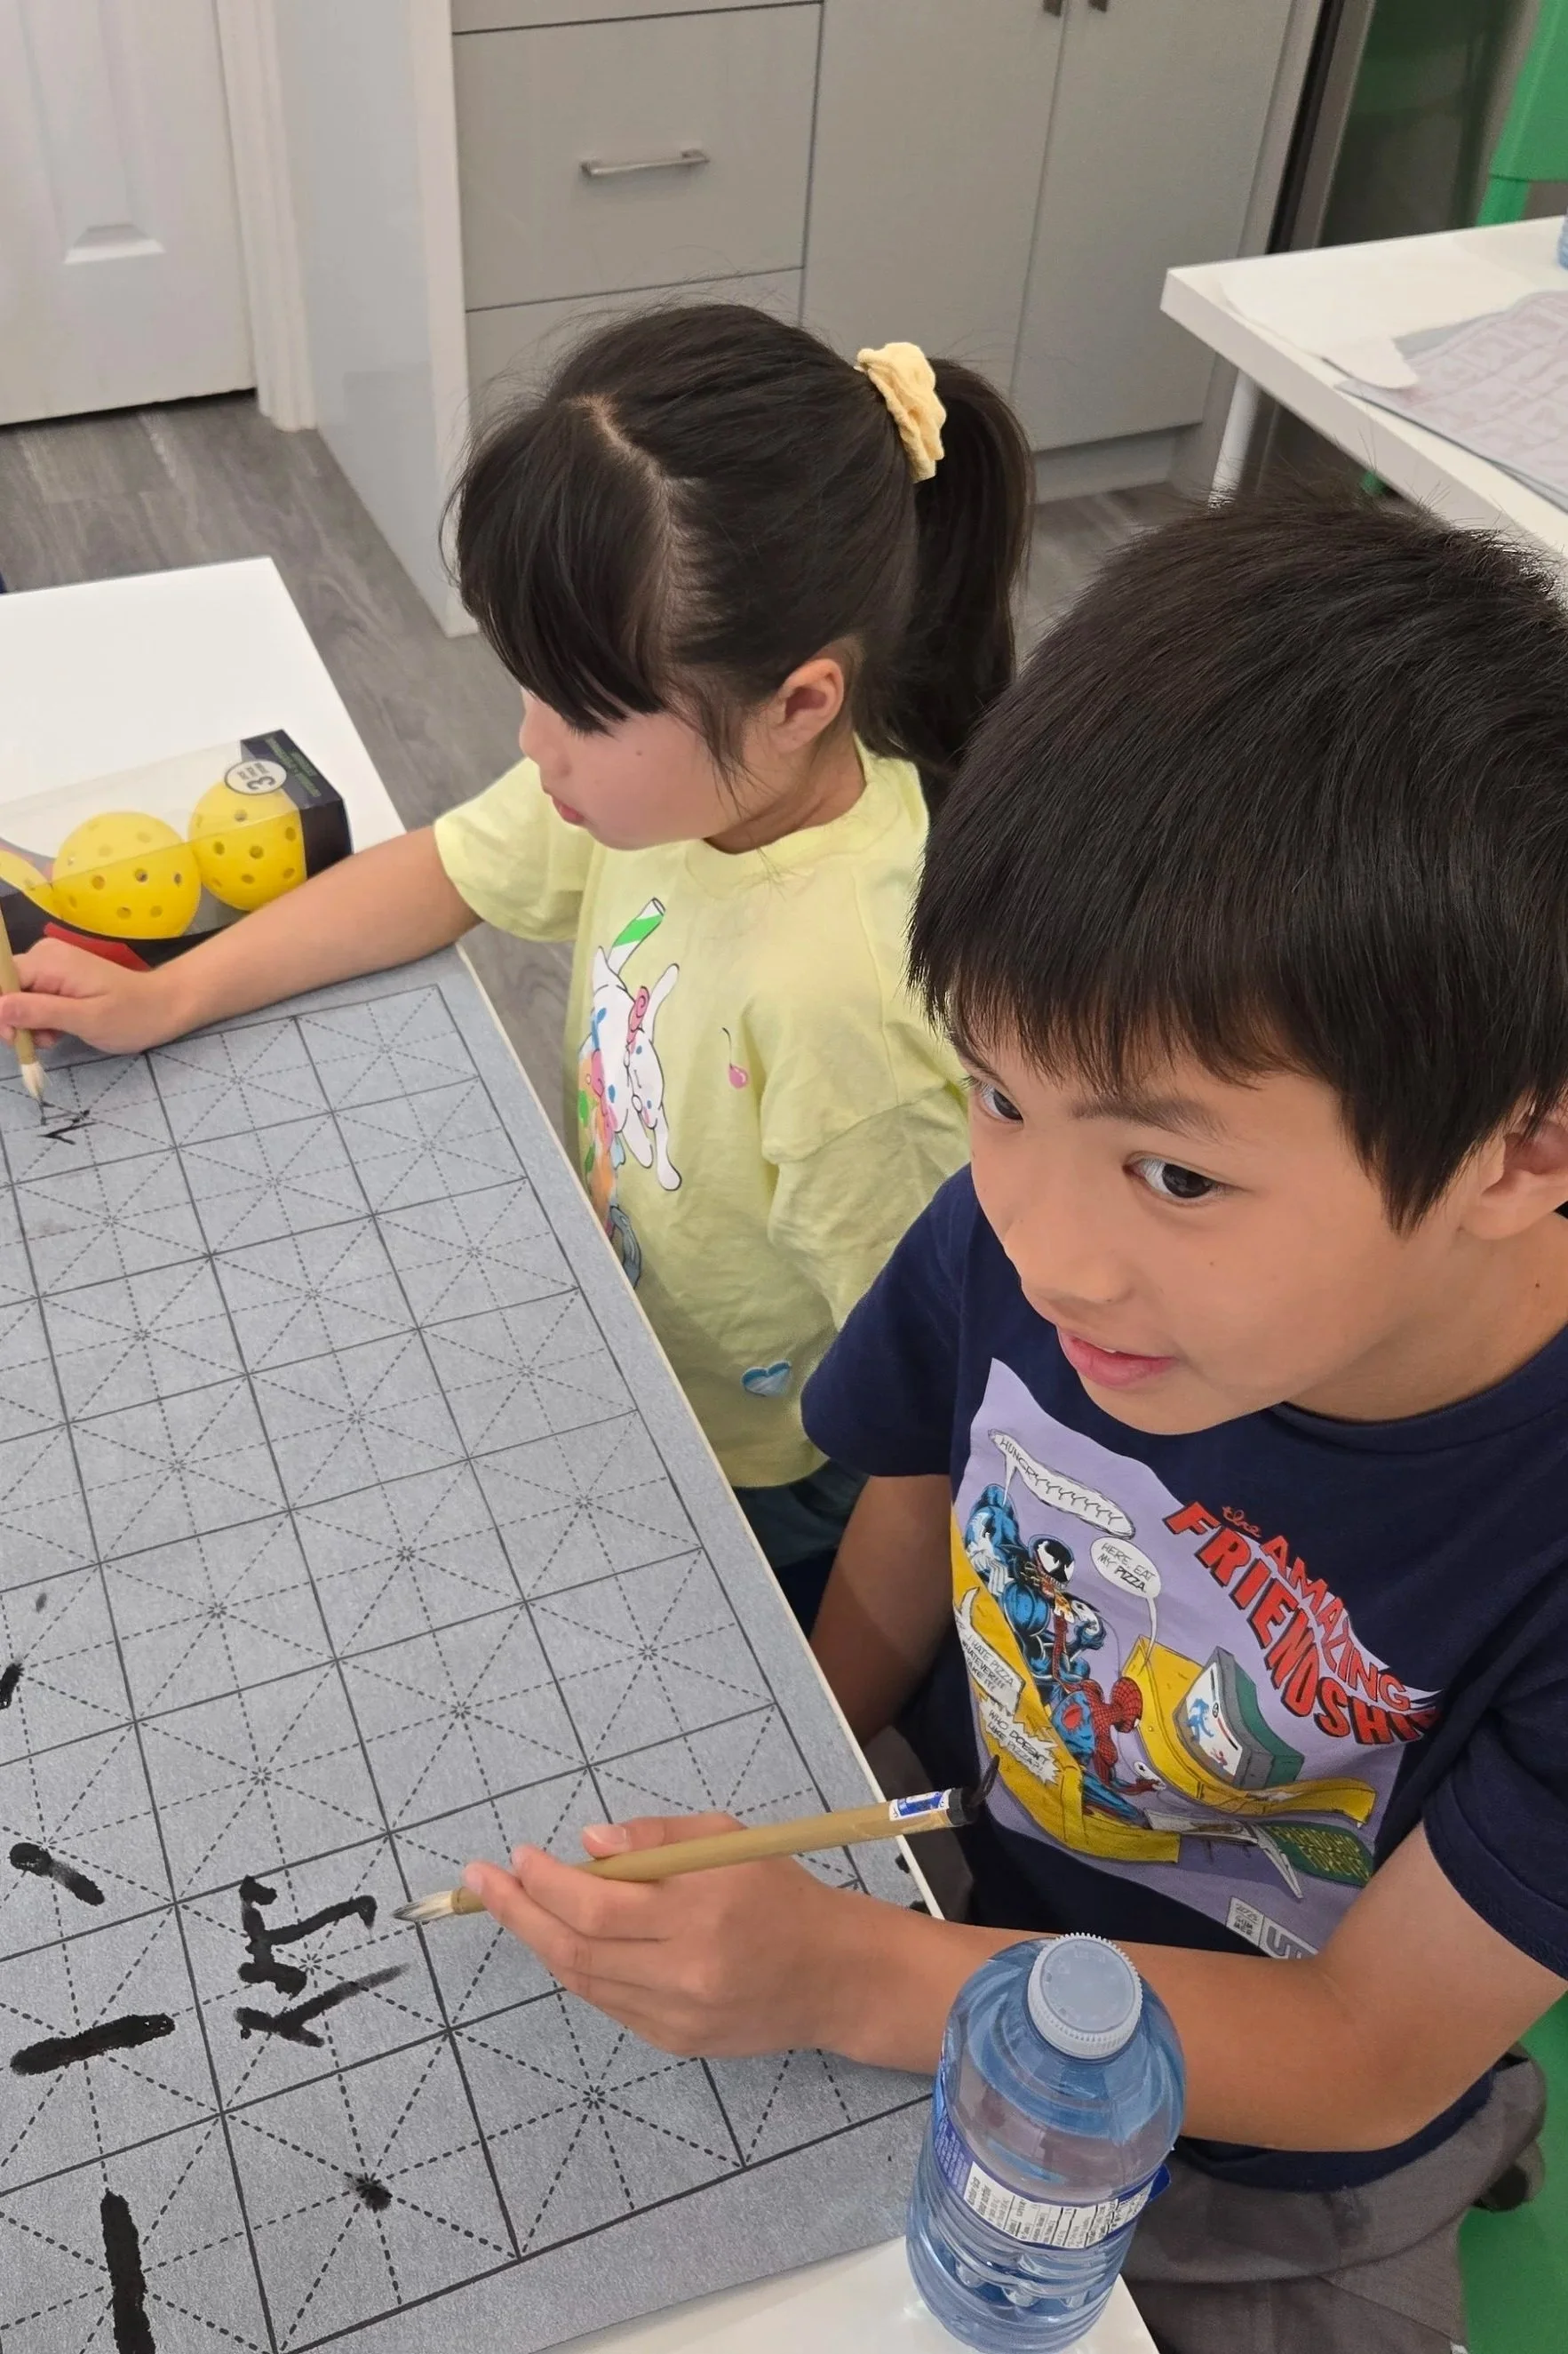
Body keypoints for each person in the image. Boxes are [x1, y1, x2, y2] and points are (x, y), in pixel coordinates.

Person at [454, 498, 1568, 2354]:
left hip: (1286, 2143)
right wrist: (788, 1810)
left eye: (1175, 1170)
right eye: (989, 1084)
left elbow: (1371, 2053)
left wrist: (847, 1972)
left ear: (1522, 1146)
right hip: (958, 1909)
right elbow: (914, 1523)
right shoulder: (1025, 1231)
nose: (1049, 1253)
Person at [0, 304, 1032, 1627]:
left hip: (770, 1475)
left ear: (800, 704)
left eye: (585, 710)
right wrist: (173, 991)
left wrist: (838, 1694)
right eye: (527, 685)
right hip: (637, 1347)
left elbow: (929, 1416)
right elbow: (442, 870)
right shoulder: (666, 793)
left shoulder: (846, 1005)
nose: (535, 747)